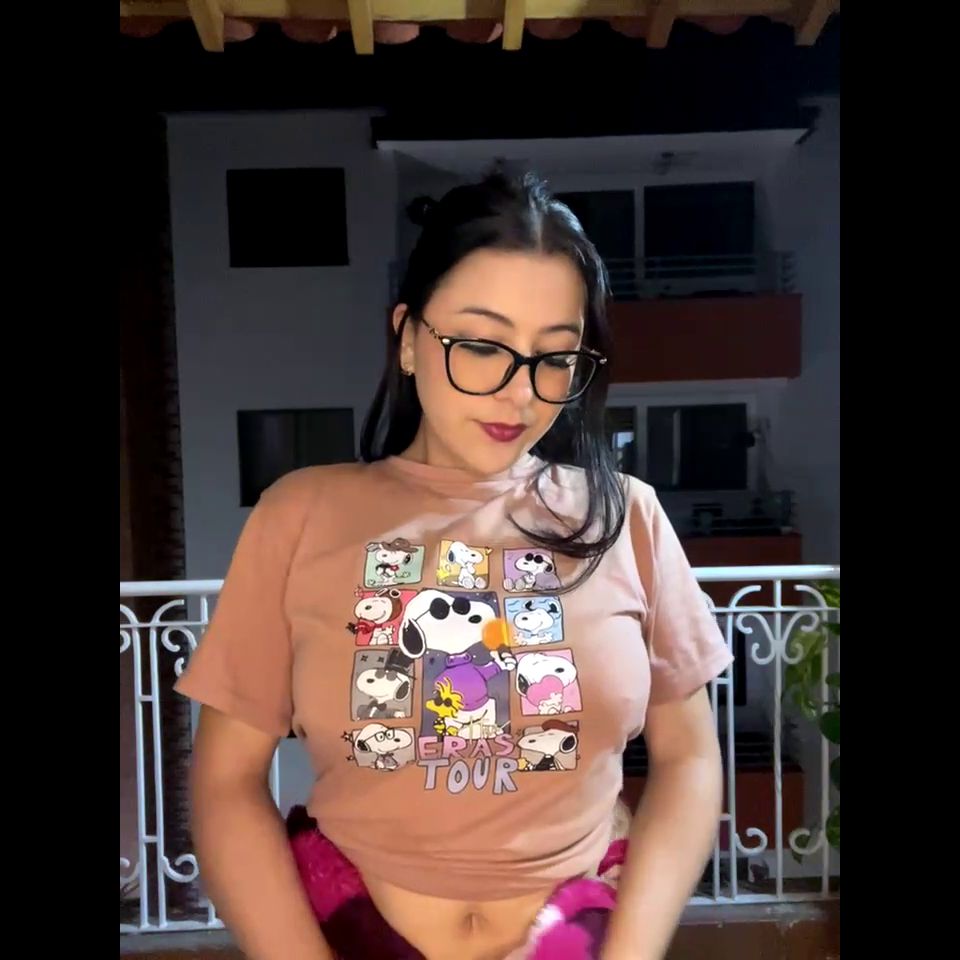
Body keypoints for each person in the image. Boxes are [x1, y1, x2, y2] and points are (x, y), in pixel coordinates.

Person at [175, 172, 733, 960]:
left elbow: (689, 757)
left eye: (553, 357)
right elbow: (226, 779)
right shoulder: (300, 515)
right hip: (352, 935)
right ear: (407, 337)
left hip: (574, 939)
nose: (518, 393)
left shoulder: (625, 517)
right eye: (479, 345)